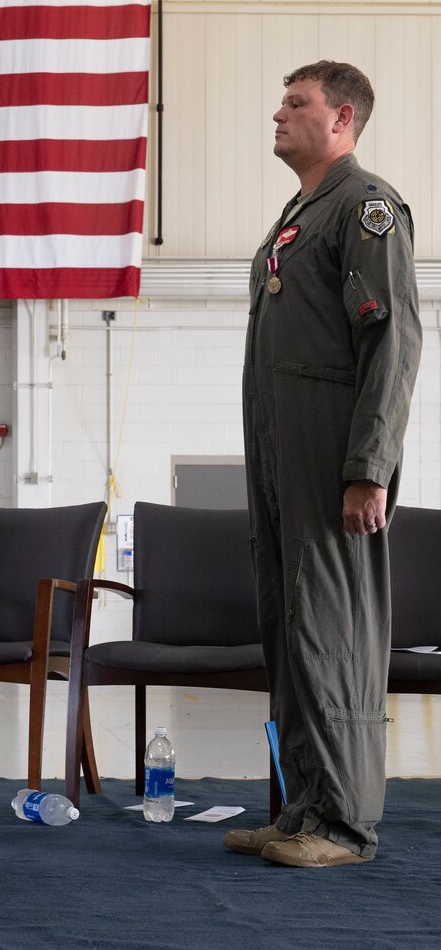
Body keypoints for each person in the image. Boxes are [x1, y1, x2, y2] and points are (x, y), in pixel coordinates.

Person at [232, 61, 420, 869]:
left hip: (330, 455)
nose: (278, 112)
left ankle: (345, 825)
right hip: (278, 451)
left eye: (296, 102)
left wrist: (368, 466)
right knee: (291, 626)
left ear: (341, 118)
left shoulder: (367, 207)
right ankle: (304, 807)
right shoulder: (297, 215)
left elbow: (394, 340)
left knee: (334, 631)